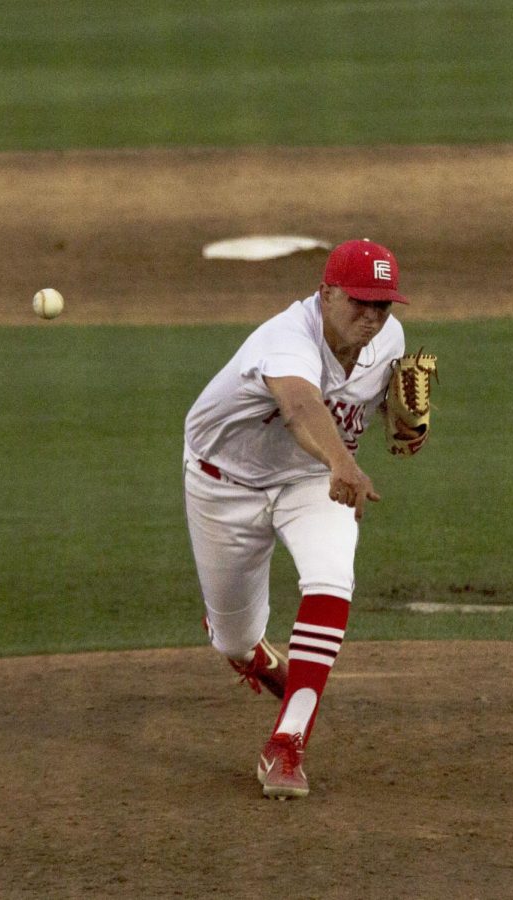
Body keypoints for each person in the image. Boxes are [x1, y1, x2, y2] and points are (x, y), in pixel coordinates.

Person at [183, 238, 408, 799]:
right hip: (225, 486)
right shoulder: (286, 338)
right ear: (325, 292)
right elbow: (301, 404)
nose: (372, 317)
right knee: (233, 638)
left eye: (382, 305)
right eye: (358, 301)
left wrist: (409, 428)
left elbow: (385, 409)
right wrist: (343, 461)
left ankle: (285, 745)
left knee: (332, 578)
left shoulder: (389, 341)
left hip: (311, 481)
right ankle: (249, 651)